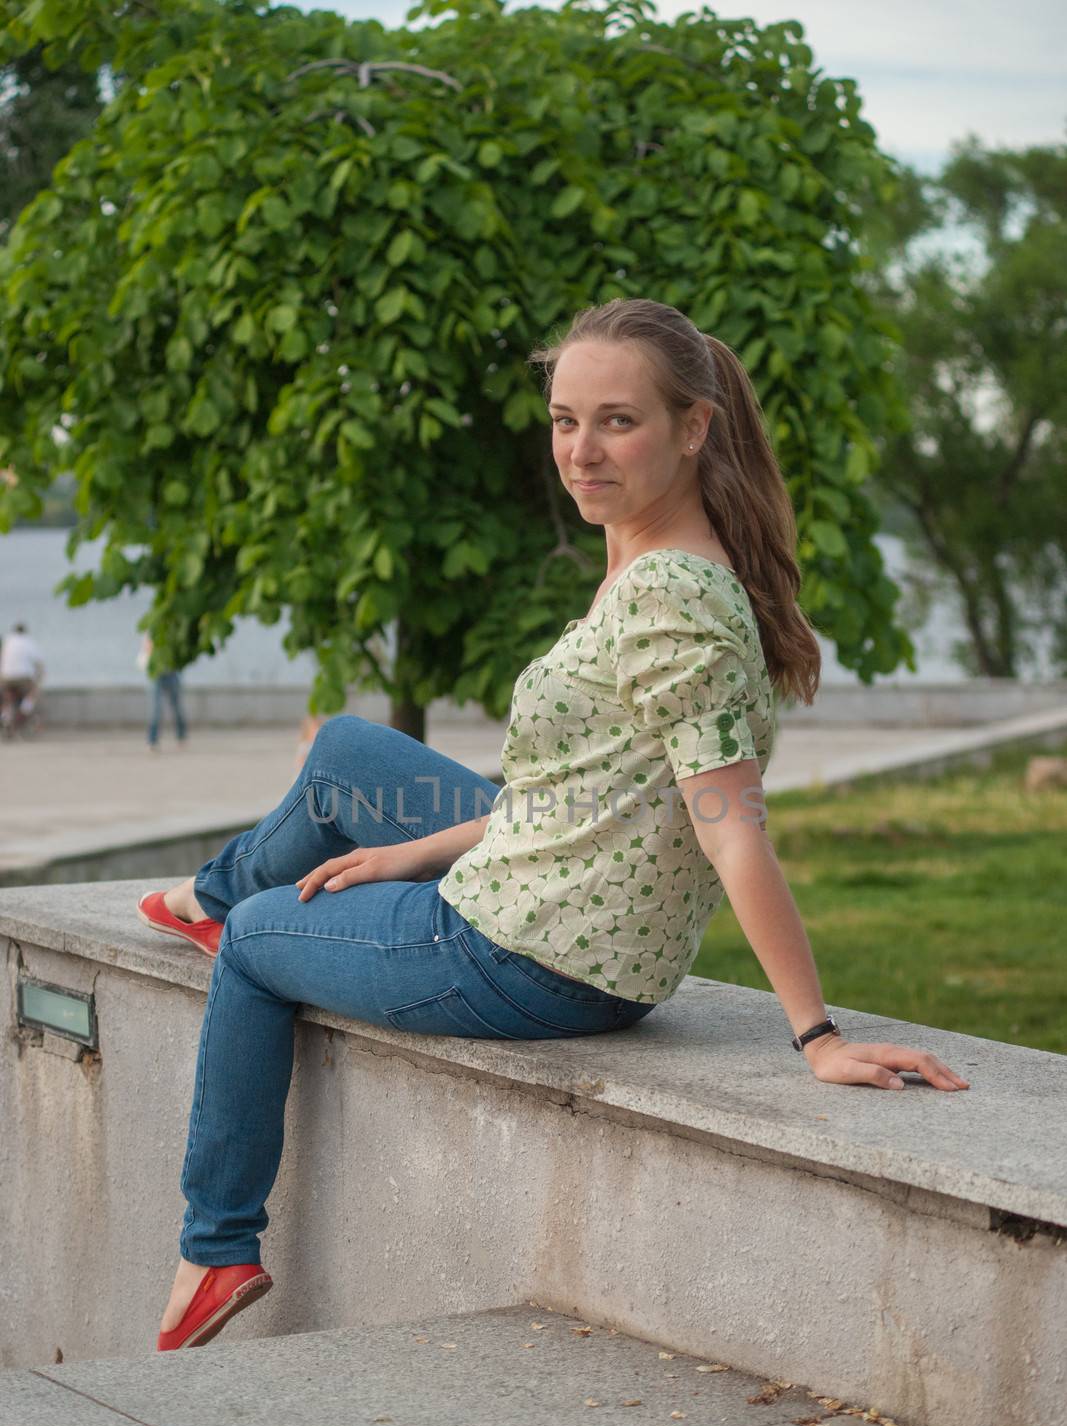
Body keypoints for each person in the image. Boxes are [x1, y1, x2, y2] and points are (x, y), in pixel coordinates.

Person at [137, 297, 970, 1354]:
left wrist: (816, 1036)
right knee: (348, 752)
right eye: (563, 420)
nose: (581, 450)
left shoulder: (673, 599)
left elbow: (729, 828)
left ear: (693, 427)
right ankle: (210, 895)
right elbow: (579, 789)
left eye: (615, 422)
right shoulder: (641, 555)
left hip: (524, 957)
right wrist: (410, 852)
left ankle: (216, 1246)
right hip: (551, 886)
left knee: (257, 943)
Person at [138, 633, 188, 749]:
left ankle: (181, 735)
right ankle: (153, 740)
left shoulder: (174, 629)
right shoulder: (153, 629)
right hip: (156, 674)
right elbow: (147, 647)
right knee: (156, 709)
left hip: (172, 672)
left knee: (177, 707)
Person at [0, 622, 44, 736]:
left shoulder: (7, 641)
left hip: (6, 678)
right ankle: (23, 713)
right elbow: (38, 664)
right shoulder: (28, 641)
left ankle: (5, 719)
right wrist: (39, 678)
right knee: (32, 693)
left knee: (7, 700)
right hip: (23, 678)